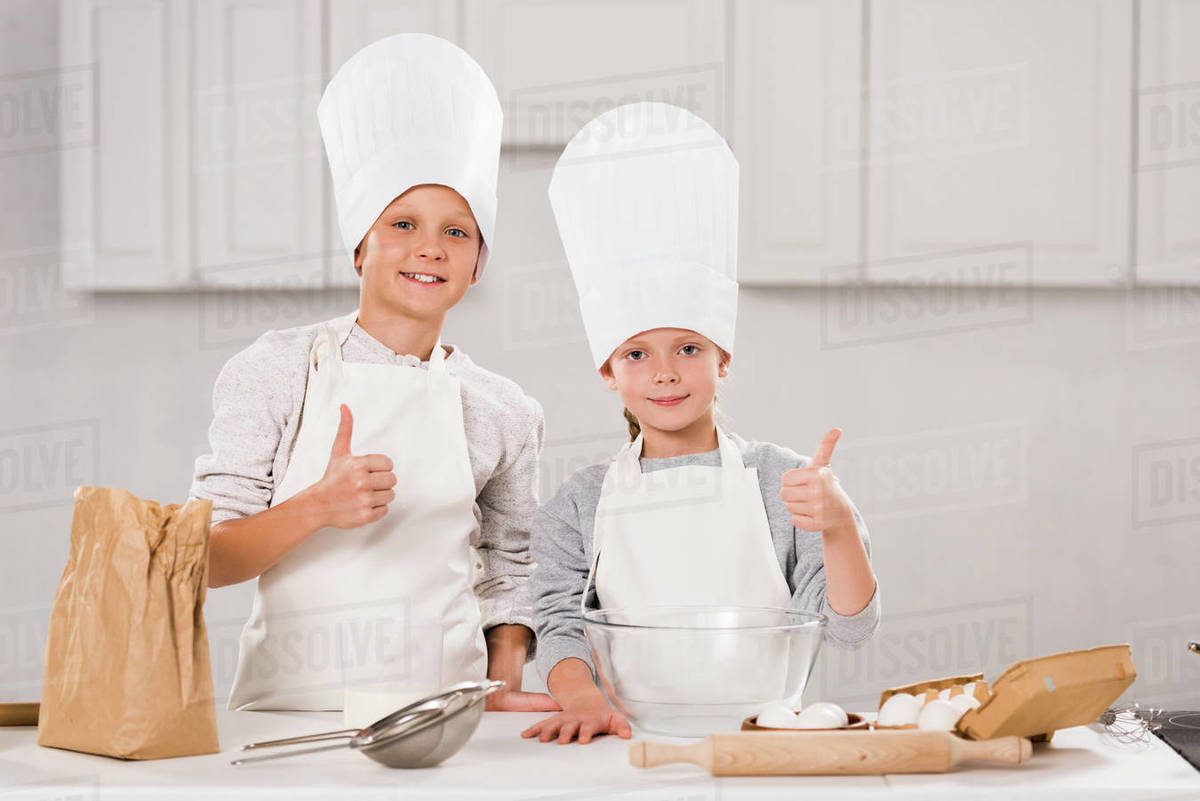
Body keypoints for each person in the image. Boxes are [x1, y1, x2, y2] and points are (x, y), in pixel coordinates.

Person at [189, 34, 556, 714]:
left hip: (442, 720)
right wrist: (316, 508)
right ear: (361, 245)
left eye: (457, 231)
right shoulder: (278, 369)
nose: (429, 246)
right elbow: (204, 560)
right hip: (289, 719)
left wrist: (503, 687)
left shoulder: (503, 410)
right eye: (404, 222)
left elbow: (512, 570)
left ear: (479, 262)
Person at [522, 102, 880, 744]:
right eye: (637, 354)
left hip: (764, 746)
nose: (665, 373)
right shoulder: (580, 501)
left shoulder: (785, 480)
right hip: (623, 744)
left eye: (688, 348)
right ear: (609, 372)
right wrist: (580, 700)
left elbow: (849, 626)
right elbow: (559, 624)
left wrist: (839, 523)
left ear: (723, 360)